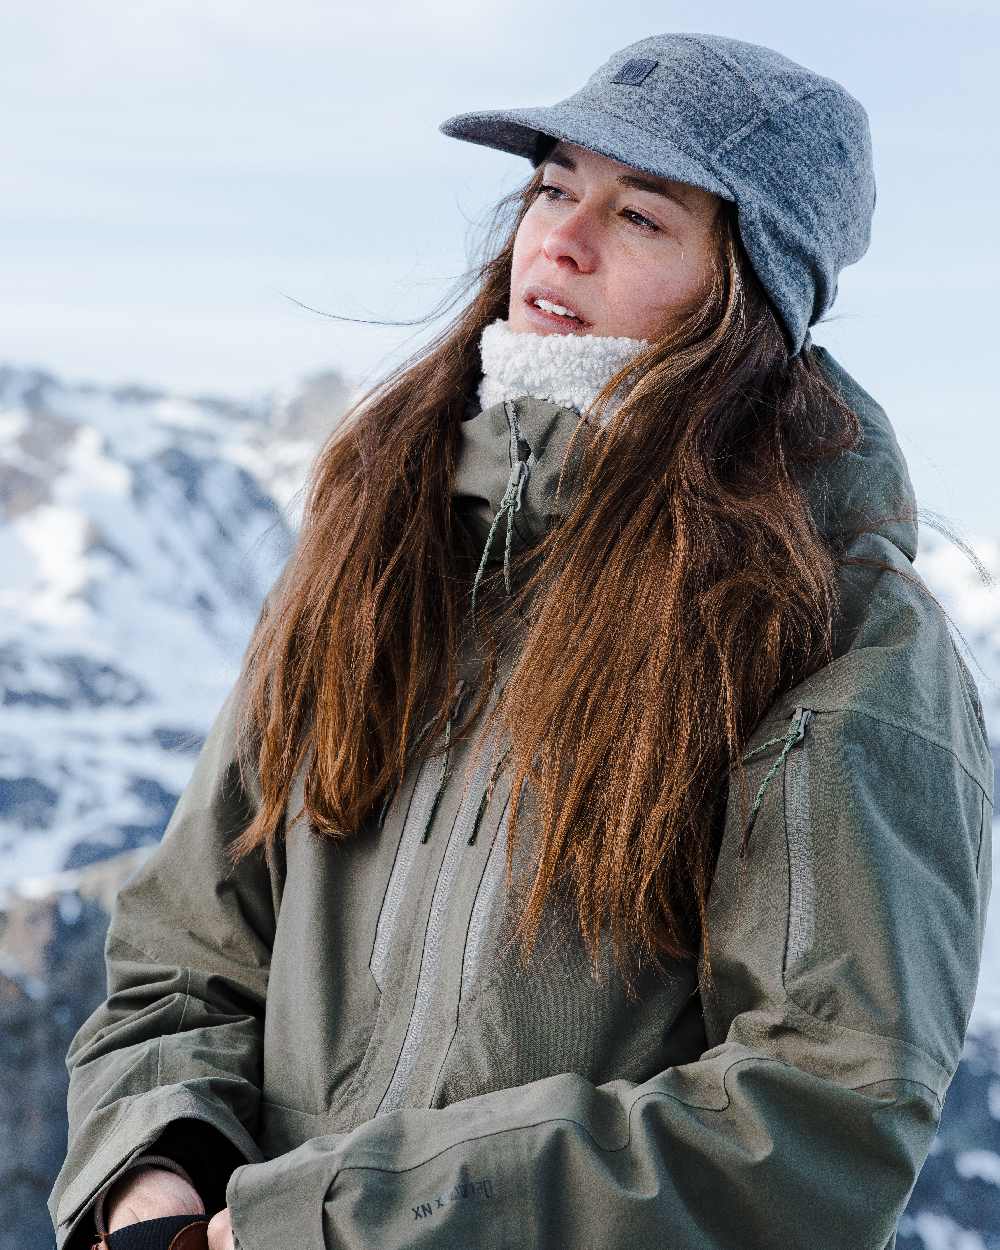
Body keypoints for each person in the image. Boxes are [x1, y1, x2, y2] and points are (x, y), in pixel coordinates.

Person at [49, 31, 993, 1250]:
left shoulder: (834, 629)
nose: (560, 236)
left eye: (641, 214)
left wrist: (338, 1224)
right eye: (552, 185)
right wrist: (156, 1172)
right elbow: (186, 942)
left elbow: (816, 1116)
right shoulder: (382, 540)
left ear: (748, 292)